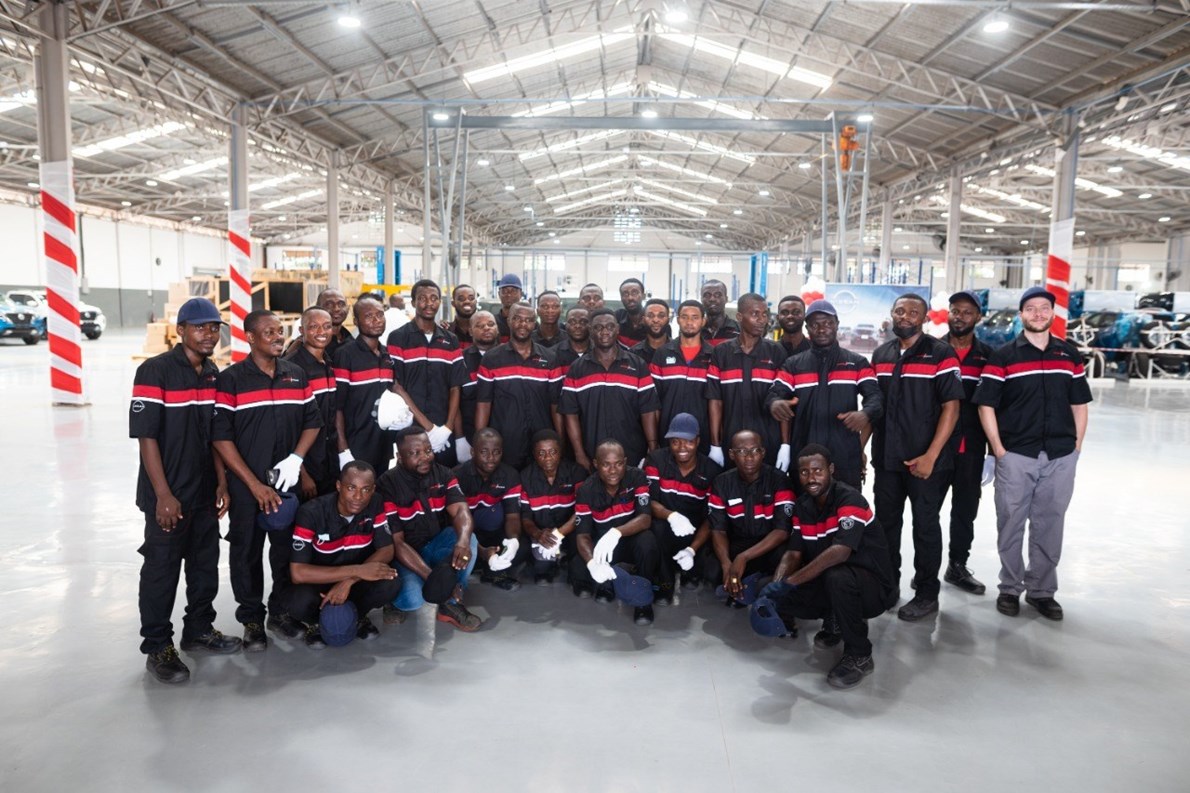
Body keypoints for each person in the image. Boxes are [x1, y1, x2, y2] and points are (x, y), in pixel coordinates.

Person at [130, 297, 240, 684]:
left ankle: (198, 630)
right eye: (200, 327)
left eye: (214, 328)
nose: (209, 334)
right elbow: (146, 438)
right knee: (161, 573)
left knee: (204, 567)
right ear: (181, 330)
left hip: (204, 492)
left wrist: (221, 480)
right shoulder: (154, 371)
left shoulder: (212, 373)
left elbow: (213, 436)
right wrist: (163, 495)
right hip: (168, 495)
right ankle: (158, 646)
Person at [974, 286, 1092, 621]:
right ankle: (1010, 588)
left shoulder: (1068, 355)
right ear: (1021, 314)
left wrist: (1076, 447)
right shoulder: (1004, 357)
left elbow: (1079, 404)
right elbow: (986, 405)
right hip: (1016, 454)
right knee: (1011, 522)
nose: (1038, 314)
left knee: (1050, 523)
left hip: (1060, 455)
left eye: (1044, 308)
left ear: (1052, 313)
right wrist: (999, 449)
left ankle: (1042, 591)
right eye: (1031, 309)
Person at [212, 309, 322, 651]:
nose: (278, 337)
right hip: (247, 487)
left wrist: (296, 459)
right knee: (246, 552)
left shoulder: (295, 375)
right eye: (269, 332)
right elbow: (220, 437)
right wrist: (253, 484)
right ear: (250, 337)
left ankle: (280, 612)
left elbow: (312, 422)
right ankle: (251, 621)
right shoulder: (231, 380)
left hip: (286, 484)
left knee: (285, 551)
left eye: (280, 331)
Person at [760, 444, 895, 690]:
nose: (811, 478)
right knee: (773, 590)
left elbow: (840, 552)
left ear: (830, 469)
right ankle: (836, 619)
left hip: (873, 588)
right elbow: (793, 553)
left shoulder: (850, 499)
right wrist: (777, 586)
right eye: (804, 472)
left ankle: (860, 655)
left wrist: (790, 582)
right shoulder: (803, 506)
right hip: (835, 580)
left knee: (837, 576)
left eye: (817, 470)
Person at [870, 293, 963, 622]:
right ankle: (888, 586)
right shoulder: (881, 354)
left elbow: (952, 408)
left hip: (926, 462)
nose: (905, 316)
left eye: (913, 312)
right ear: (891, 314)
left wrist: (931, 456)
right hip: (887, 459)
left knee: (925, 527)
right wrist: (860, 451)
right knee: (885, 526)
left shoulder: (941, 353)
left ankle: (926, 594)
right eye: (900, 310)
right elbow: (873, 408)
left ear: (924, 318)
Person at [766, 299, 882, 490]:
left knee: (847, 506)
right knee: (804, 507)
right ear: (807, 328)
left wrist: (865, 413)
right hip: (804, 457)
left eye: (828, 323)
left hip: (845, 457)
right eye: (815, 325)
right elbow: (774, 394)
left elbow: (875, 397)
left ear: (837, 324)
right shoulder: (793, 365)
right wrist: (775, 403)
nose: (821, 329)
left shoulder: (857, 363)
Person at [377, 426, 483, 631]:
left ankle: (450, 603)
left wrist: (462, 541)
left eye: (427, 450)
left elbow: (461, 511)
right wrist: (433, 579)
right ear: (399, 457)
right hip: (405, 555)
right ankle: (393, 601)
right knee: (413, 600)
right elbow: (397, 543)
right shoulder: (386, 484)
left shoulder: (444, 473)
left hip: (436, 543)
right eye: (415, 453)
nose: (425, 457)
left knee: (468, 539)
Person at [284, 461, 401, 648]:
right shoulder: (311, 512)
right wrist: (357, 571)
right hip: (320, 582)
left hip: (355, 582)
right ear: (339, 486)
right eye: (351, 488)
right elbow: (298, 573)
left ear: (373, 490)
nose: (358, 497)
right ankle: (317, 623)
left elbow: (386, 549)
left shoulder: (375, 502)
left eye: (365, 489)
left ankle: (357, 616)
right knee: (297, 602)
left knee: (390, 582)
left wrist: (349, 581)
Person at [939, 291, 994, 595]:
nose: (960, 317)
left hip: (971, 450)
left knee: (965, 512)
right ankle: (925, 572)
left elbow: (996, 406)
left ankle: (957, 566)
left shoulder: (989, 357)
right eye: (955, 311)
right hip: (935, 449)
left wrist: (992, 453)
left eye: (967, 312)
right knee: (926, 512)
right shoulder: (933, 350)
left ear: (978, 317)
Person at [559, 308, 660, 471]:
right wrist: (579, 454)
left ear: (617, 329)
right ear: (590, 330)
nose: (604, 331)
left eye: (610, 326)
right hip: (592, 453)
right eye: (598, 327)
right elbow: (570, 414)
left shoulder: (637, 365)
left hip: (632, 451)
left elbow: (648, 410)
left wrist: (653, 446)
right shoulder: (577, 368)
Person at [570, 440, 659, 625]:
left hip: (630, 539)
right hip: (604, 546)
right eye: (606, 464)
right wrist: (593, 563)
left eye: (618, 464)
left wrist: (616, 532)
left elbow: (645, 518)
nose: (613, 471)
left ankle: (643, 599)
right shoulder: (586, 490)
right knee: (579, 567)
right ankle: (607, 583)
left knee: (648, 541)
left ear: (625, 462)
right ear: (596, 464)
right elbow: (583, 535)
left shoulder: (637, 477)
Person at [385, 279, 467, 468]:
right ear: (413, 302)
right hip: (410, 429)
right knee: (411, 476)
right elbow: (397, 386)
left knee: (444, 478)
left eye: (434, 298)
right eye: (422, 298)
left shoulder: (451, 340)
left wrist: (447, 429)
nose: (429, 303)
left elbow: (455, 387)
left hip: (443, 430)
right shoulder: (398, 338)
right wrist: (429, 428)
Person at [707, 430, 793, 606]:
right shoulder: (721, 483)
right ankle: (744, 584)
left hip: (770, 545)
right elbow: (718, 529)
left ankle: (757, 585)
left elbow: (782, 531)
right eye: (741, 451)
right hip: (740, 542)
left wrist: (743, 558)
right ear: (732, 454)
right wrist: (726, 564)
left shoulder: (779, 480)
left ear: (763, 453)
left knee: (785, 557)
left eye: (755, 450)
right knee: (712, 570)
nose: (749, 457)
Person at [475, 303, 563, 470]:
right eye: (517, 319)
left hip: (541, 442)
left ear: (534, 323)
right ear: (509, 320)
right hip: (505, 440)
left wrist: (560, 440)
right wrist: (479, 441)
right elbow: (483, 403)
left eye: (528, 320)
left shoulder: (550, 358)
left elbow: (556, 405)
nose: (523, 324)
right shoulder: (491, 359)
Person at [644, 413, 722, 602]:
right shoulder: (656, 460)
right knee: (655, 529)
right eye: (675, 442)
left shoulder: (711, 470)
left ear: (698, 441)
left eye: (688, 442)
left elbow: (711, 518)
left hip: (695, 532)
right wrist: (671, 516)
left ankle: (690, 569)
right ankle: (665, 584)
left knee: (710, 572)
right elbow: (647, 502)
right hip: (665, 525)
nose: (681, 448)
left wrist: (692, 550)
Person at [706, 293, 788, 470]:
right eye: (755, 314)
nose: (762, 320)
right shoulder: (721, 352)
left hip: (768, 443)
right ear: (739, 317)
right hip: (731, 441)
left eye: (765, 314)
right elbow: (715, 401)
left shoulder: (776, 352)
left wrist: (785, 445)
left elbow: (783, 401)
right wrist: (715, 444)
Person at [453, 428, 525, 591]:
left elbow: (513, 517)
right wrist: (481, 551)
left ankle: (493, 573)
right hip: (466, 536)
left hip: (493, 533)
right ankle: (481, 563)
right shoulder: (457, 476)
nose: (491, 458)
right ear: (473, 452)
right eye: (484, 452)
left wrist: (513, 541)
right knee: (455, 549)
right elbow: (454, 524)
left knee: (523, 546)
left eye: (496, 452)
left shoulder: (510, 475)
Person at [333, 297, 397, 473]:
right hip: (356, 446)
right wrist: (343, 449)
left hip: (383, 446)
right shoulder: (345, 354)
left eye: (380, 315)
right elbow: (337, 407)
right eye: (369, 316)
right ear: (356, 321)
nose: (376, 320)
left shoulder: (386, 355)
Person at [285, 306, 340, 498]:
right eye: (313, 326)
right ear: (302, 331)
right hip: (306, 466)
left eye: (326, 326)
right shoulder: (292, 368)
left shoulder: (328, 363)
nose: (321, 332)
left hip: (328, 461)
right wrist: (302, 473)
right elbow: (287, 427)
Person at [519, 429, 587, 585]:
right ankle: (549, 562)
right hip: (542, 531)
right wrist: (538, 534)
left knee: (579, 564)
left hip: (569, 531)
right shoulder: (525, 477)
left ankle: (569, 562)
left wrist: (558, 534)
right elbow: (526, 518)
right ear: (534, 454)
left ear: (560, 452)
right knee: (541, 573)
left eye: (553, 452)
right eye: (541, 453)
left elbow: (581, 512)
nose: (548, 457)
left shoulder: (576, 472)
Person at [648, 300, 713, 455]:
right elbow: (653, 401)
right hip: (667, 433)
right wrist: (653, 441)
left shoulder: (714, 355)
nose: (689, 322)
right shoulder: (662, 354)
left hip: (703, 435)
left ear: (703, 321)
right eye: (684, 317)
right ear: (677, 320)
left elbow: (718, 401)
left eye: (695, 317)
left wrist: (716, 443)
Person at [457, 310, 500, 452]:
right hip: (469, 436)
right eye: (480, 326)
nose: (486, 328)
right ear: (470, 331)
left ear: (497, 329)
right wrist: (459, 437)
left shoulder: (510, 358)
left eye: (491, 324)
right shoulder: (460, 360)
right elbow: (453, 400)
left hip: (504, 433)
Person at [284, 288, 352, 358]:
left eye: (341, 304)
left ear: (348, 308)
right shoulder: (303, 344)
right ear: (318, 307)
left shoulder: (351, 341)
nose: (336, 309)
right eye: (329, 304)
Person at [700, 279, 739, 347]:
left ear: (726, 299)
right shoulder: (695, 330)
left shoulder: (738, 331)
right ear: (701, 299)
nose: (712, 299)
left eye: (718, 295)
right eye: (707, 295)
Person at [616, 277, 648, 349]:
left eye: (634, 293)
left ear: (643, 296)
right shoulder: (617, 318)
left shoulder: (653, 322)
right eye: (625, 294)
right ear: (621, 298)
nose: (630, 298)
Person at [494, 273, 524, 341]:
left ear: (521, 294)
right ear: (499, 294)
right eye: (505, 291)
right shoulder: (493, 322)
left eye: (513, 291)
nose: (509, 295)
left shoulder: (528, 322)